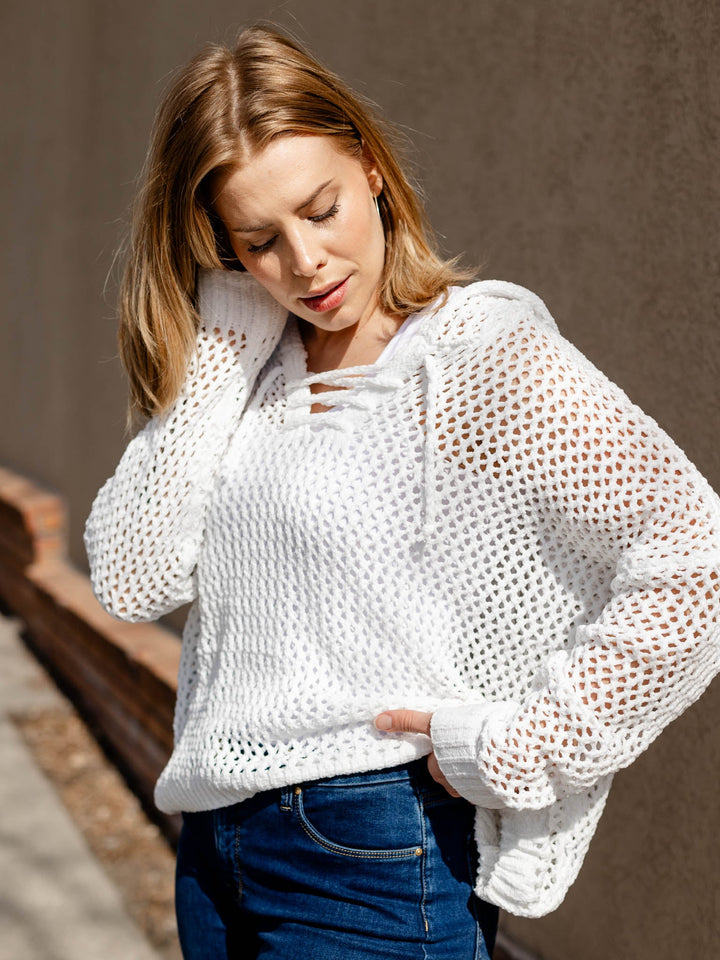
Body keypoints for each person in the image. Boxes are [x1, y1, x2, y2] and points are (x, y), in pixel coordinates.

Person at [83, 24, 720, 960]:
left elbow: (695, 555)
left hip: (374, 852)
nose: (305, 261)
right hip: (215, 851)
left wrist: (524, 743)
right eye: (260, 241)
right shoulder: (250, 369)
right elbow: (132, 577)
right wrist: (222, 336)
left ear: (372, 168)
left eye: (322, 209)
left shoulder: (477, 357)